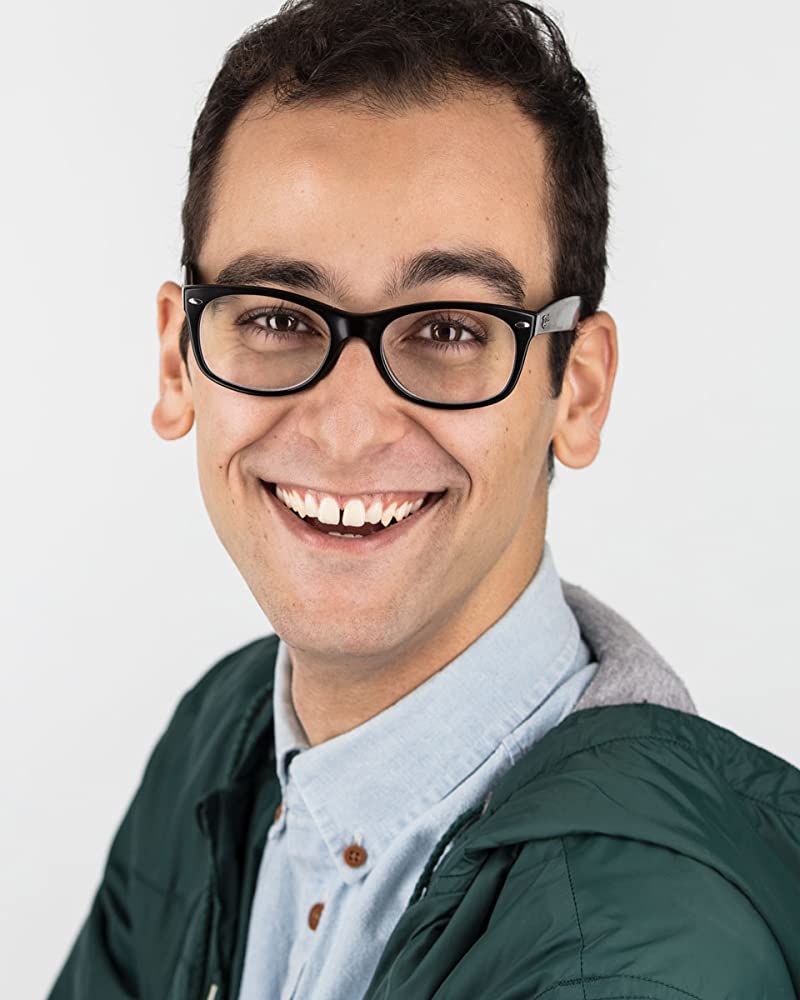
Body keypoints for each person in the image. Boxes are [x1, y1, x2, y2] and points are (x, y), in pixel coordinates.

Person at [48, 0, 800, 997]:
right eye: (276, 316)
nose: (347, 427)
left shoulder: (649, 951)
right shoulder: (223, 738)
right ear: (178, 360)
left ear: (576, 390)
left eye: (448, 329)